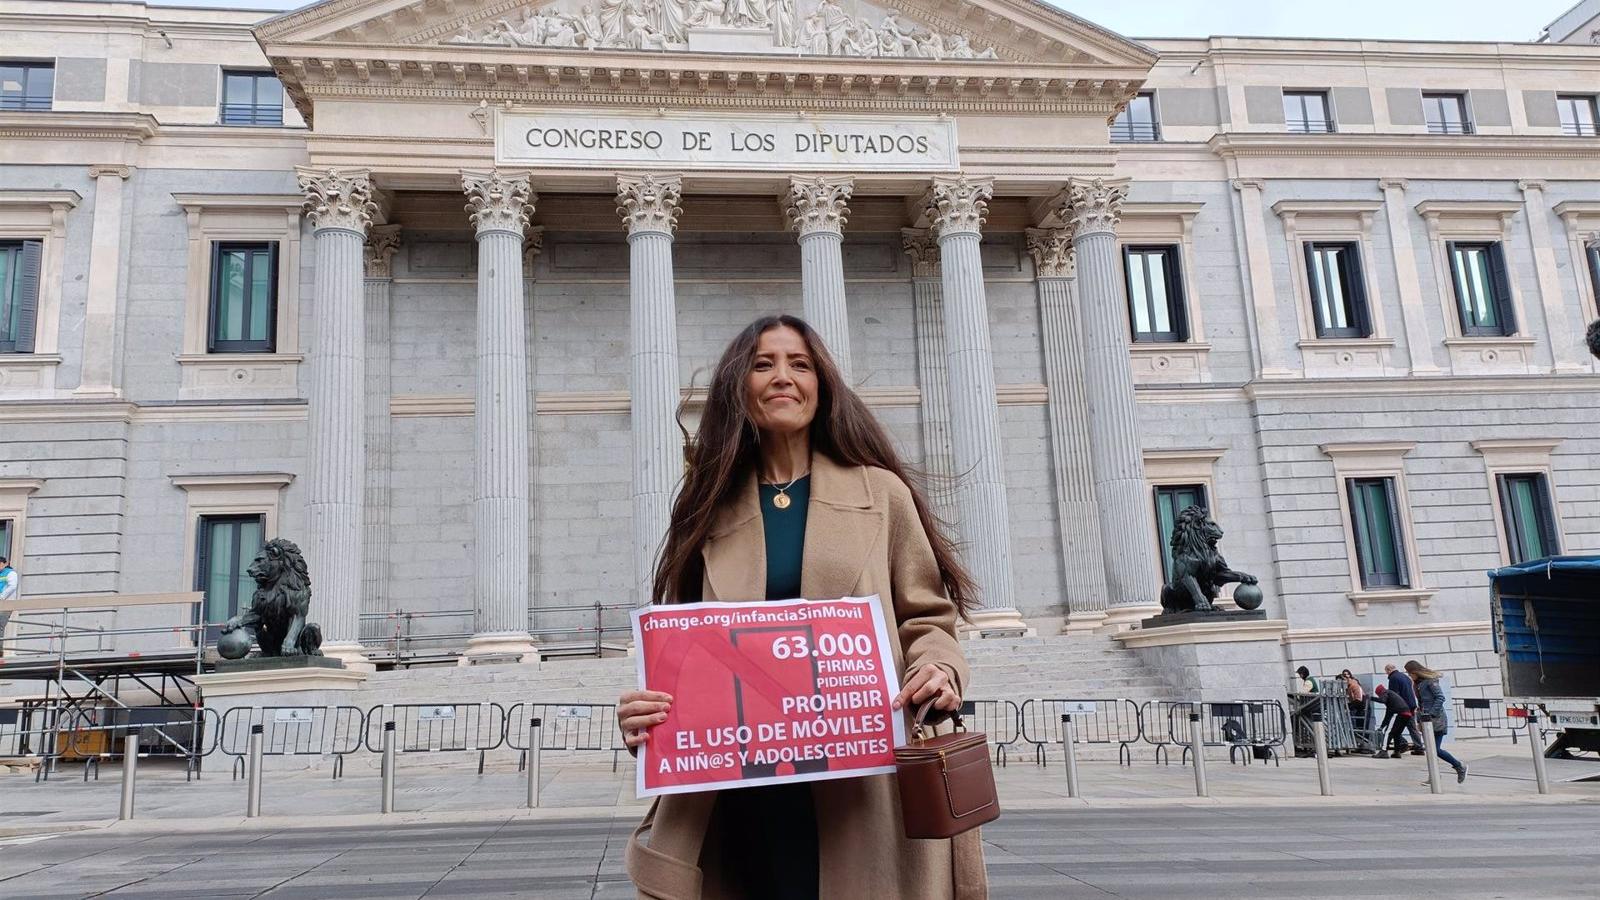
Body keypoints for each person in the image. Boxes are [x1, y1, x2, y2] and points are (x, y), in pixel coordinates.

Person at [617, 316, 985, 899]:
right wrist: (648, 714)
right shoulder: (704, 508)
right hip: (741, 793)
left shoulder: (881, 493)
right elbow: (682, 649)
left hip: (860, 783)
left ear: (823, 385)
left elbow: (927, 618)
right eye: (763, 364)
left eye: (800, 363)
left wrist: (938, 668)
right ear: (740, 386)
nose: (782, 376)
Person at [1406, 660, 1468, 784]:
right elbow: (1421, 704)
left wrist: (1431, 714)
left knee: (1435, 749)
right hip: (1426, 721)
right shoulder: (1417, 684)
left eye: (1409, 673)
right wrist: (1419, 720)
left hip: (1436, 719)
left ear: (1415, 672)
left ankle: (1459, 766)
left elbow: (1440, 697)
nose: (1409, 676)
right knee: (1430, 750)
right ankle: (1434, 776)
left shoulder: (1430, 681)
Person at [1384, 663, 1425, 754]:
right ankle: (1419, 747)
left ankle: (1402, 744)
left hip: (1402, 707)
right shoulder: (1405, 677)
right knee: (1411, 727)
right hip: (1411, 705)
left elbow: (1394, 694)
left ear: (1388, 670)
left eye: (1386, 671)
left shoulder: (1393, 678)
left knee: (1395, 727)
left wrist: (1392, 707)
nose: (1386, 674)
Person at [1372, 684, 1414, 759]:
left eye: (1379, 695)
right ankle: (1397, 752)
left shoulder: (1385, 693)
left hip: (1398, 713)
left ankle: (1383, 751)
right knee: (1397, 734)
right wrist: (1382, 726)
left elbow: (1382, 700)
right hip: (1407, 714)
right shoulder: (1391, 697)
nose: (1380, 697)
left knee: (1388, 732)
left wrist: (1371, 698)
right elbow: (1387, 715)